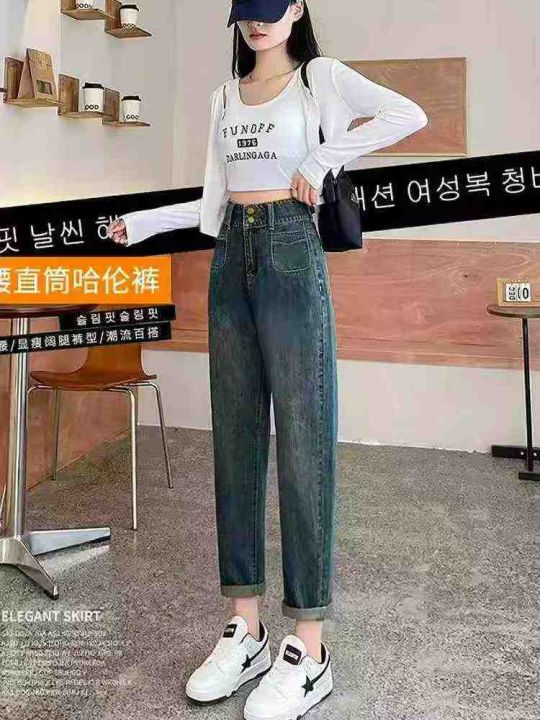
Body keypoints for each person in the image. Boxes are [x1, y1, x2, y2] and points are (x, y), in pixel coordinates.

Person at [107, 1, 428, 717]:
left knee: (304, 449)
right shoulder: (225, 96)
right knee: (237, 447)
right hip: (231, 261)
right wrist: (145, 222)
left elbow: (407, 114)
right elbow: (213, 203)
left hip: (291, 253)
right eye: (246, 12)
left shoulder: (321, 79)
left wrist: (321, 158)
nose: (257, 24)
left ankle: (310, 648)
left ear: (297, 8)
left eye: (270, 9)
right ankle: (245, 629)